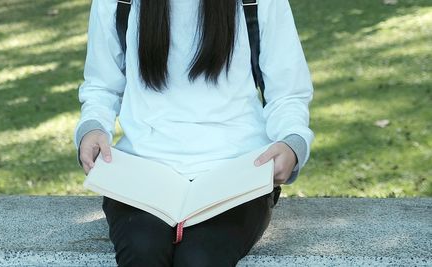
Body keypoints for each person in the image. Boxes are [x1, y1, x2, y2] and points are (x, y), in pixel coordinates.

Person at [73, 0, 314, 266]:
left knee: (200, 259)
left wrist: (292, 142)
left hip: (237, 175)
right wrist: (92, 128)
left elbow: (287, 93)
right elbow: (102, 86)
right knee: (143, 250)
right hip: (141, 174)